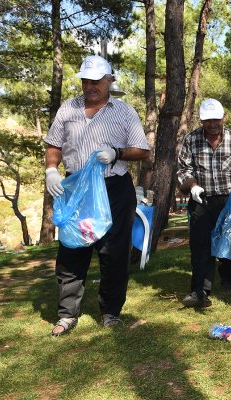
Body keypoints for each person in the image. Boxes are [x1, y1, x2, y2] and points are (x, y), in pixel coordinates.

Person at [44, 55, 150, 336]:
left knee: (114, 253)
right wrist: (51, 169)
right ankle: (67, 314)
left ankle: (111, 312)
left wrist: (117, 152)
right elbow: (54, 144)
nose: (89, 86)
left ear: (109, 81)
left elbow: (142, 150)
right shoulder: (68, 108)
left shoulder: (124, 112)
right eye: (85, 81)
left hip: (114, 189)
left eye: (96, 81)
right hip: (77, 188)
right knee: (72, 250)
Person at [176, 98, 231, 306]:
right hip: (201, 198)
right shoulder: (191, 139)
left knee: (229, 241)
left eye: (216, 120)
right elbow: (183, 170)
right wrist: (192, 186)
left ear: (223, 118)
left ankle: (228, 278)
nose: (212, 124)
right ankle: (200, 290)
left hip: (229, 199)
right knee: (200, 245)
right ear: (201, 120)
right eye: (208, 120)